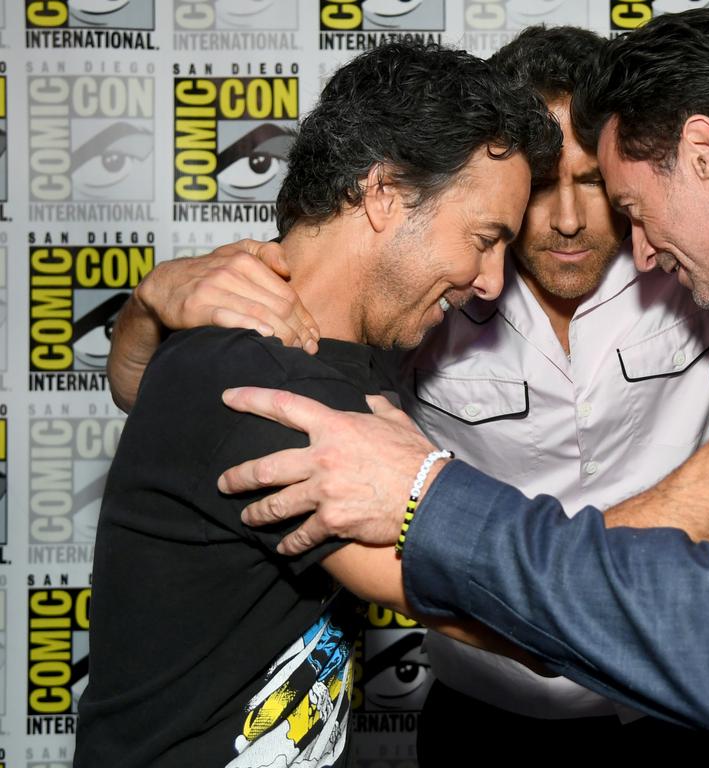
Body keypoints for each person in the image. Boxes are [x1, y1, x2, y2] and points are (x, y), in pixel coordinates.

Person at [107, 26, 709, 767]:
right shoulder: (369, 333)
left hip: (669, 714)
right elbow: (499, 605)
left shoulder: (699, 270)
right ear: (385, 194)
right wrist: (148, 311)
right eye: (497, 227)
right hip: (498, 715)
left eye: (600, 189)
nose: (553, 230)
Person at [75, 41, 562, 768]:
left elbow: (147, 395)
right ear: (383, 193)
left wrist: (146, 313)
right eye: (485, 238)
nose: (491, 280)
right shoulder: (263, 379)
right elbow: (509, 616)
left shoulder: (320, 358)